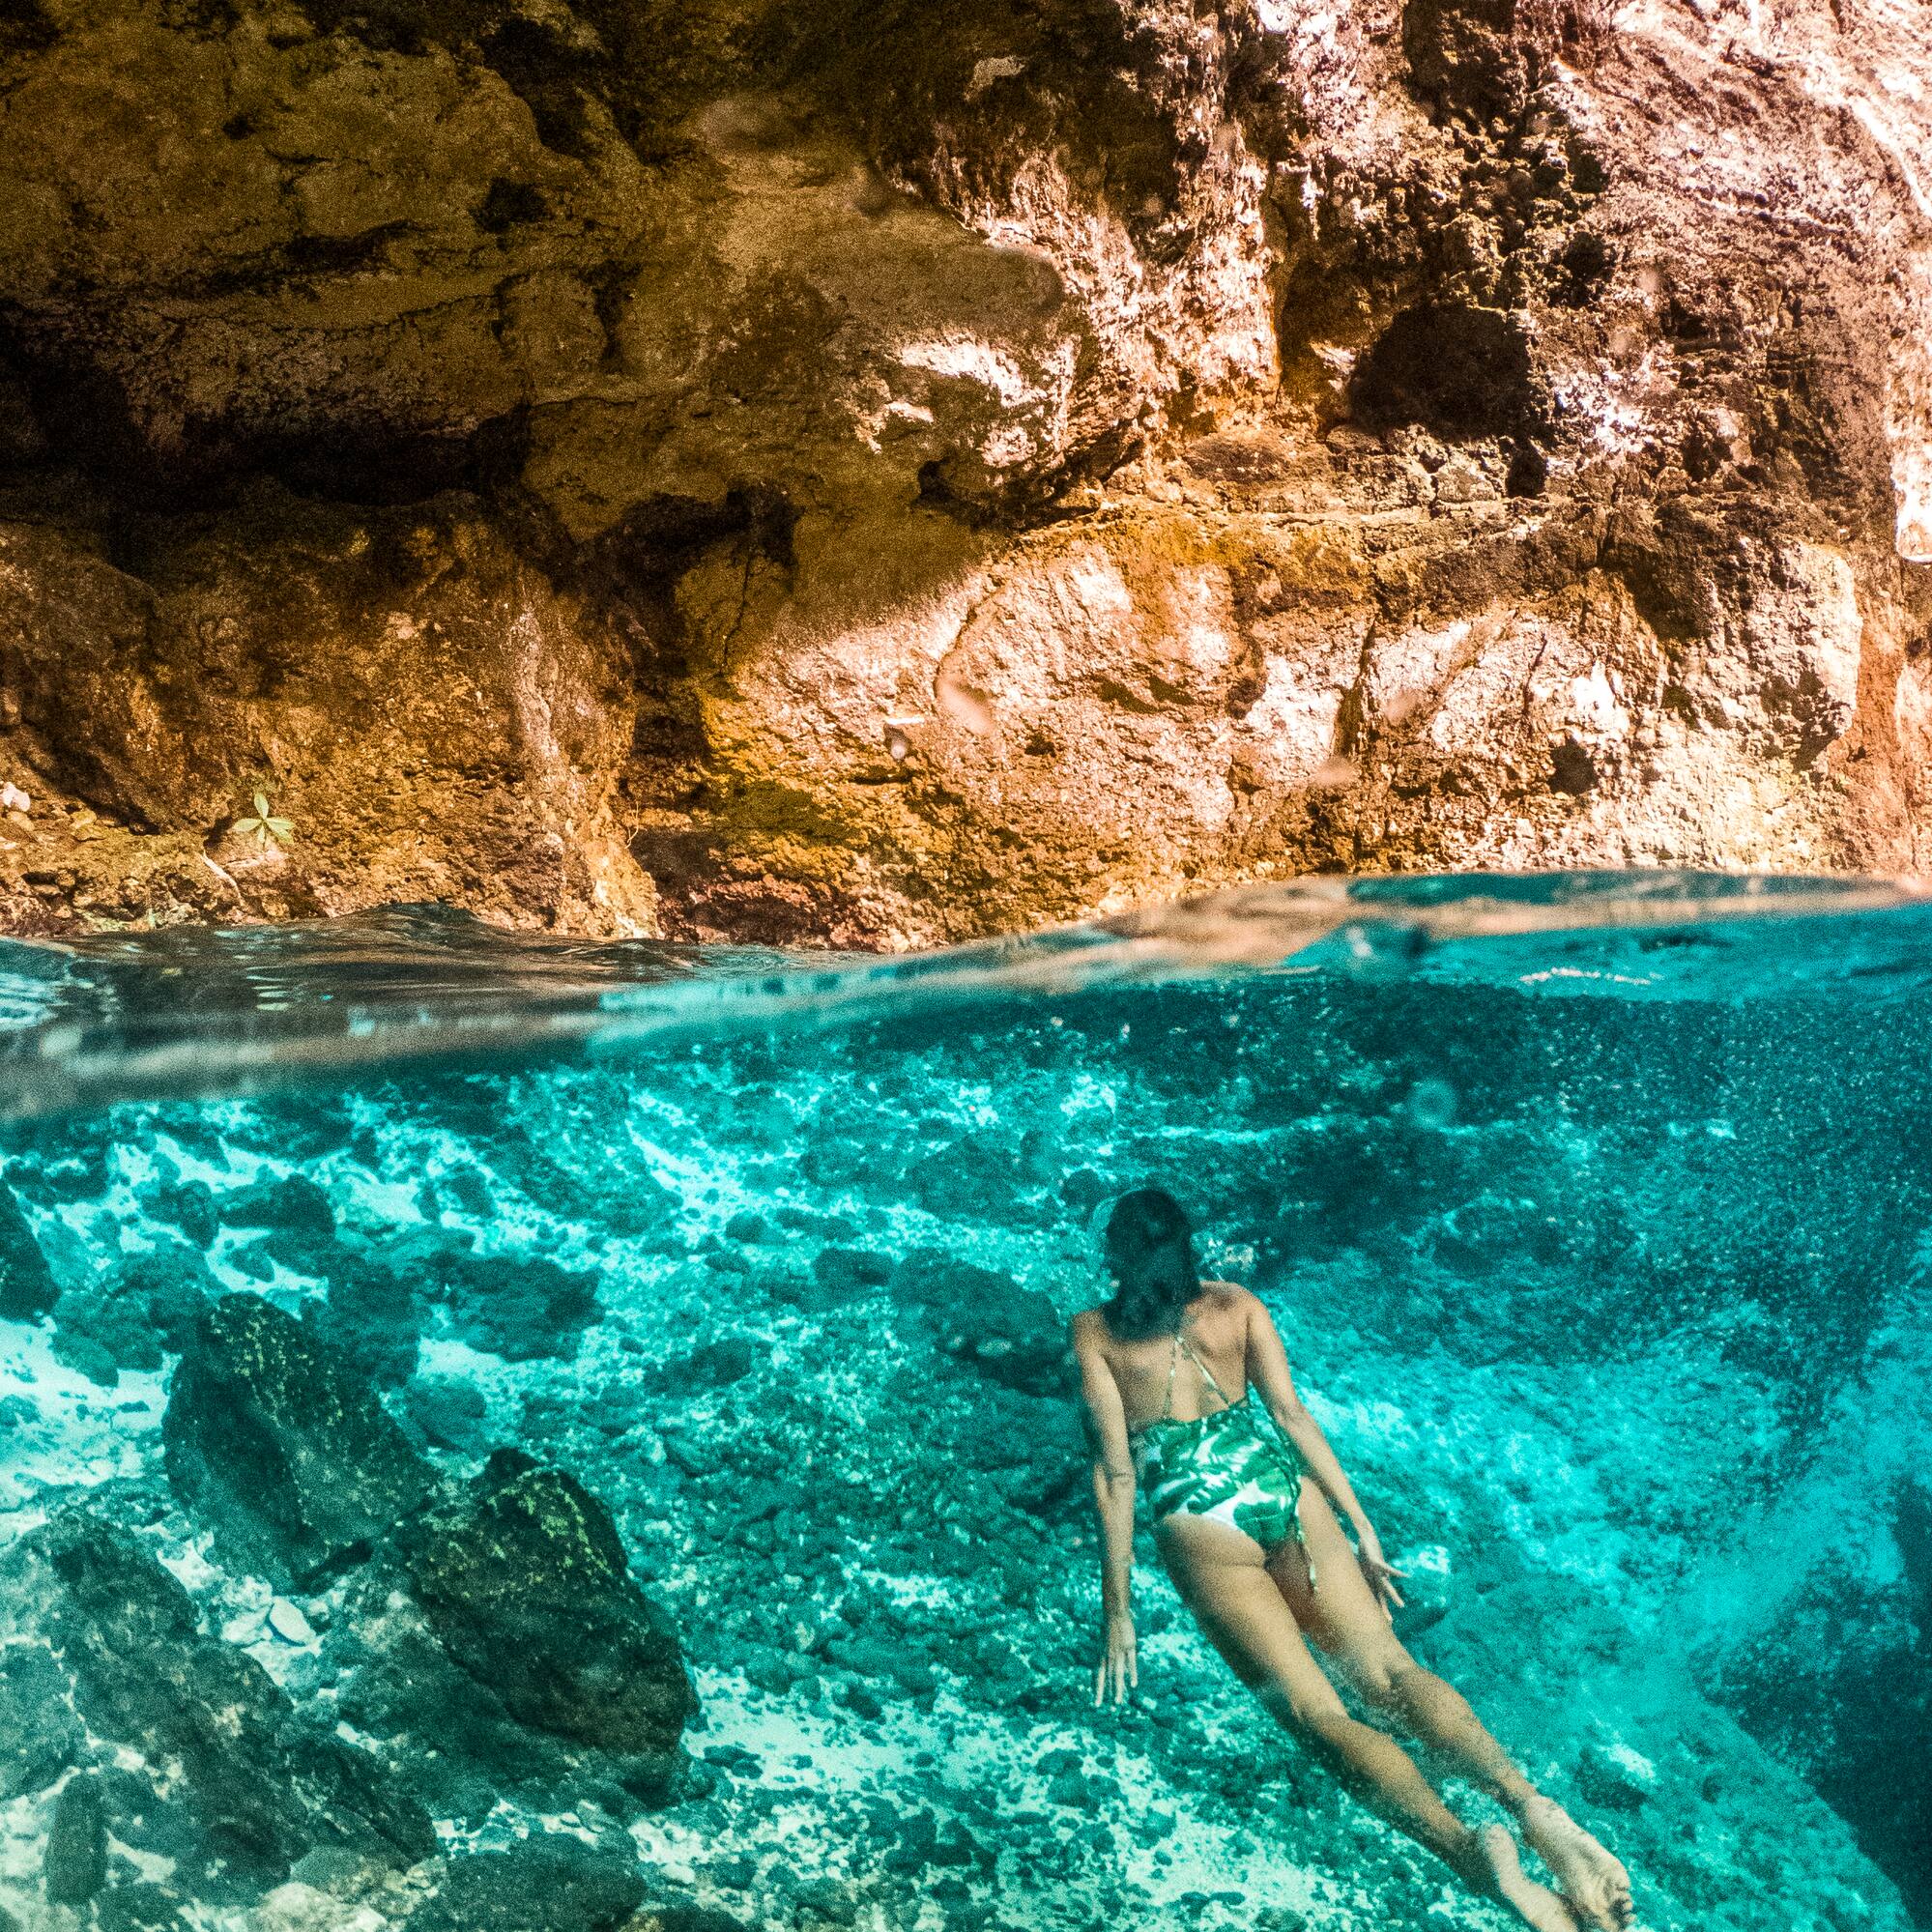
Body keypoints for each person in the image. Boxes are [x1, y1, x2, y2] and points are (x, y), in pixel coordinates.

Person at [1069, 1187, 1635, 1932]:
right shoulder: (1237, 1303)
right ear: (1188, 1247)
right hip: (1285, 1493)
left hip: (1200, 1517)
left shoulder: (1093, 1333)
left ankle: (1474, 1857)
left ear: (1114, 1255)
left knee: (1319, 1715)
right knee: (1391, 1672)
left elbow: (1115, 1475)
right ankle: (1531, 1807)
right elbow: (1291, 1414)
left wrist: (1118, 1611)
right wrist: (1362, 1525)